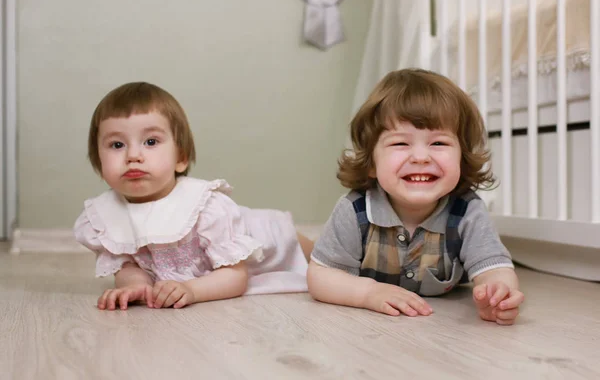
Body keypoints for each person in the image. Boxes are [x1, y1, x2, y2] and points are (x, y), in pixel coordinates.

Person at [307, 68, 525, 325]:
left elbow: (494, 267)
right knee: (313, 253)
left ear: (462, 159)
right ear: (371, 163)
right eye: (401, 144)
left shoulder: (467, 210)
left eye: (438, 144)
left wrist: (498, 294)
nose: (421, 157)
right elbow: (320, 276)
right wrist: (368, 292)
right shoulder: (355, 210)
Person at [74, 82, 314, 310]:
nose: (133, 155)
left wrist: (192, 290)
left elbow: (235, 276)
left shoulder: (208, 208)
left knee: (324, 258)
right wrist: (136, 286)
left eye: (150, 141)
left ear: (181, 158)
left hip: (270, 238)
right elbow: (128, 266)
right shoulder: (106, 217)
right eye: (117, 145)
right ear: (99, 163)